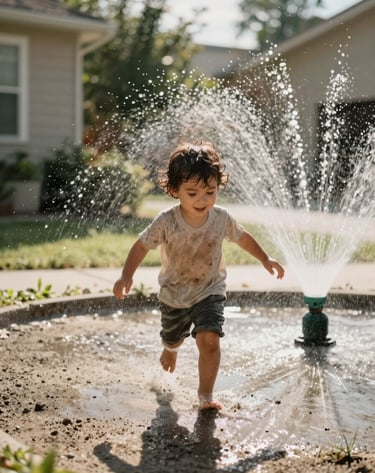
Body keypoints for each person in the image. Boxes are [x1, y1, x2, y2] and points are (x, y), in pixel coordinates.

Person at [113, 139, 285, 410]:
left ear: (218, 186)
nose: (202, 200)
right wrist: (126, 276)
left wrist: (265, 258)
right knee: (173, 338)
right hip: (174, 294)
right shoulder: (167, 221)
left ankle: (205, 395)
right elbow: (141, 245)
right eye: (192, 193)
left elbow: (242, 238)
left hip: (209, 290)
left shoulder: (221, 218)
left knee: (210, 340)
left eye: (210, 192)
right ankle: (170, 348)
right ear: (174, 190)